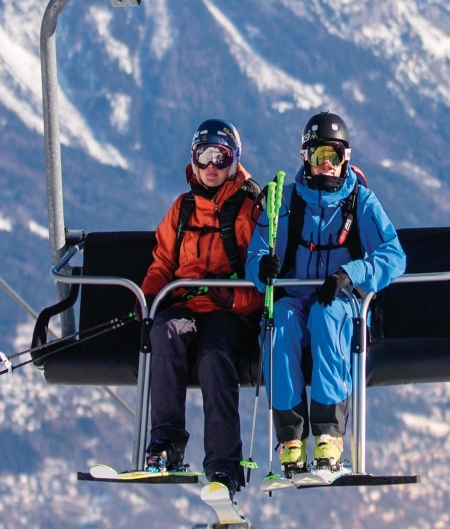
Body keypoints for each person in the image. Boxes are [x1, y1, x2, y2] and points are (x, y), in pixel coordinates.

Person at [245, 110, 405, 476]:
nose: (327, 165)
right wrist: (261, 269)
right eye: (319, 156)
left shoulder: (361, 202)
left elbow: (394, 256)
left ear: (346, 158)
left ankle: (329, 435)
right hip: (295, 297)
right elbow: (257, 253)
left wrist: (350, 274)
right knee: (279, 322)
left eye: (334, 156)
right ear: (306, 158)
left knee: (326, 314)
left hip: (339, 300)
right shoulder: (285, 202)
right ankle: (290, 438)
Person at [140, 118, 263, 488]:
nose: (211, 167)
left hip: (230, 313)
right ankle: (166, 444)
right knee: (166, 331)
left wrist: (234, 297)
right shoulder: (183, 210)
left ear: (234, 160)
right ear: (193, 160)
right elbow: (163, 263)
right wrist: (149, 300)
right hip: (188, 307)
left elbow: (262, 280)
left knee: (214, 352)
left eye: (220, 157)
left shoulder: (248, 211)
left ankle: (224, 463)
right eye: (203, 157)